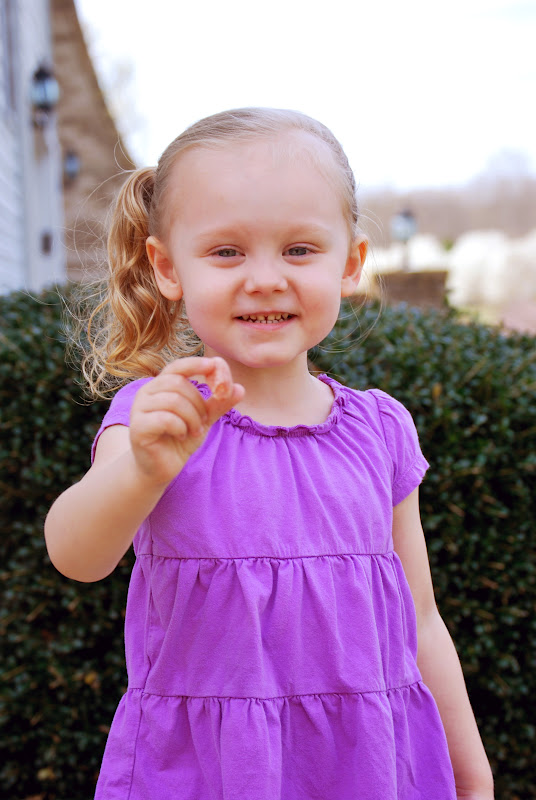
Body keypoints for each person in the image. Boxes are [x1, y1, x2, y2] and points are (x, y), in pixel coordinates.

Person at [45, 108, 494, 800]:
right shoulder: (157, 418)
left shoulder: (379, 430)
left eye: (299, 250)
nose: (264, 278)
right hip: (210, 773)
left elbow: (422, 620)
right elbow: (77, 555)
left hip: (368, 768)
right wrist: (142, 468)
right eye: (227, 252)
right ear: (167, 267)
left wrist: (470, 771)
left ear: (350, 264)